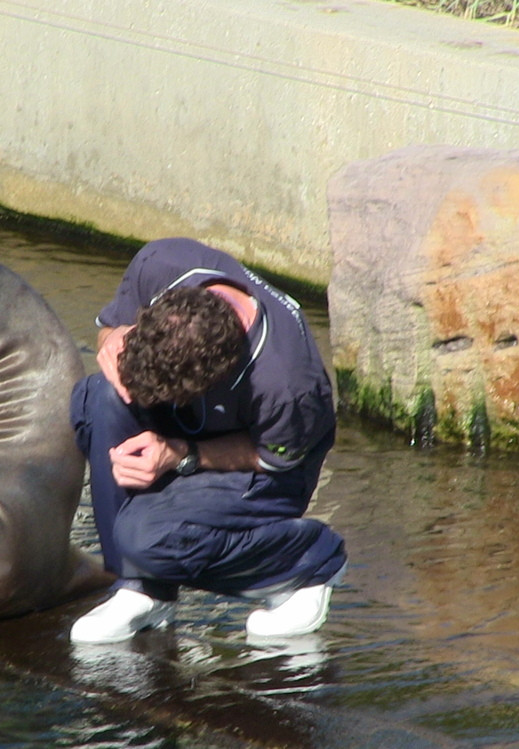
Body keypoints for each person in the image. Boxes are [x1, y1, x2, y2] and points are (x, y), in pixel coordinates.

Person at [68, 237, 347, 644]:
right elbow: (111, 327)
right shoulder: (162, 263)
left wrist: (183, 454)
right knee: (98, 396)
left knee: (145, 536)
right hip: (187, 427)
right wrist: (111, 340)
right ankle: (143, 588)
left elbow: (271, 458)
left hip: (267, 464)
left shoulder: (289, 386)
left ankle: (307, 564)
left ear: (210, 383)